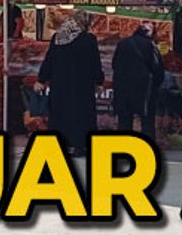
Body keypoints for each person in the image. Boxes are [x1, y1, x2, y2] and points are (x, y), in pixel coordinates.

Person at [36, 17, 103, 156]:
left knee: (60, 114)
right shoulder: (88, 39)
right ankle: (80, 146)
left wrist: (42, 79)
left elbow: (49, 60)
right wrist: (99, 81)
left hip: (60, 85)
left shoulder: (58, 37)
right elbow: (95, 62)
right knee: (81, 115)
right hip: (82, 85)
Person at [111, 23, 163, 138]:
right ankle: (147, 143)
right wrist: (157, 84)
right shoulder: (150, 45)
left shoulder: (122, 43)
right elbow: (157, 68)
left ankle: (124, 145)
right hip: (144, 89)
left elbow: (114, 64)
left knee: (124, 119)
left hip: (123, 87)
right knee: (147, 120)